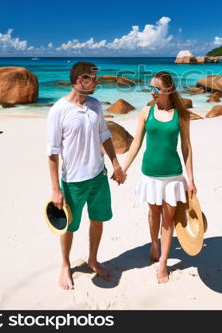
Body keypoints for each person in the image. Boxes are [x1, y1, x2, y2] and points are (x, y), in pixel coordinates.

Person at [47, 61, 126, 290]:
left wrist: (115, 164)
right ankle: (65, 264)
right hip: (73, 181)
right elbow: (52, 153)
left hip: (98, 177)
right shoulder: (58, 110)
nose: (97, 81)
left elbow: (105, 135)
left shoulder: (95, 105)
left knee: (98, 219)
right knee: (70, 227)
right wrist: (55, 189)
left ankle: (92, 259)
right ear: (81, 80)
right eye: (93, 78)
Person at [119, 70, 196, 283]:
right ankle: (154, 244)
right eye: (150, 87)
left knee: (168, 219)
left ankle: (163, 262)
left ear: (168, 89)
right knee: (153, 213)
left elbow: (187, 147)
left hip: (172, 175)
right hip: (150, 174)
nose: (151, 91)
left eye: (155, 88)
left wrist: (191, 179)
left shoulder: (182, 116)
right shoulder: (145, 112)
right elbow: (136, 143)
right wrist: (123, 168)